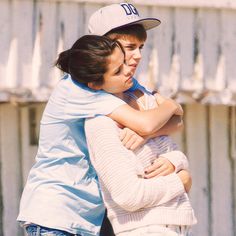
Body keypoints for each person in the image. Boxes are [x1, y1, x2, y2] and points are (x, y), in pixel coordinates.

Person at [17, 35, 184, 236]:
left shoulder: (115, 80)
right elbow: (148, 123)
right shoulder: (82, 92)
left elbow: (173, 122)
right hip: (58, 213)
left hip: (87, 217)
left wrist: (148, 134)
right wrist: (171, 104)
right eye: (129, 47)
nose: (129, 67)